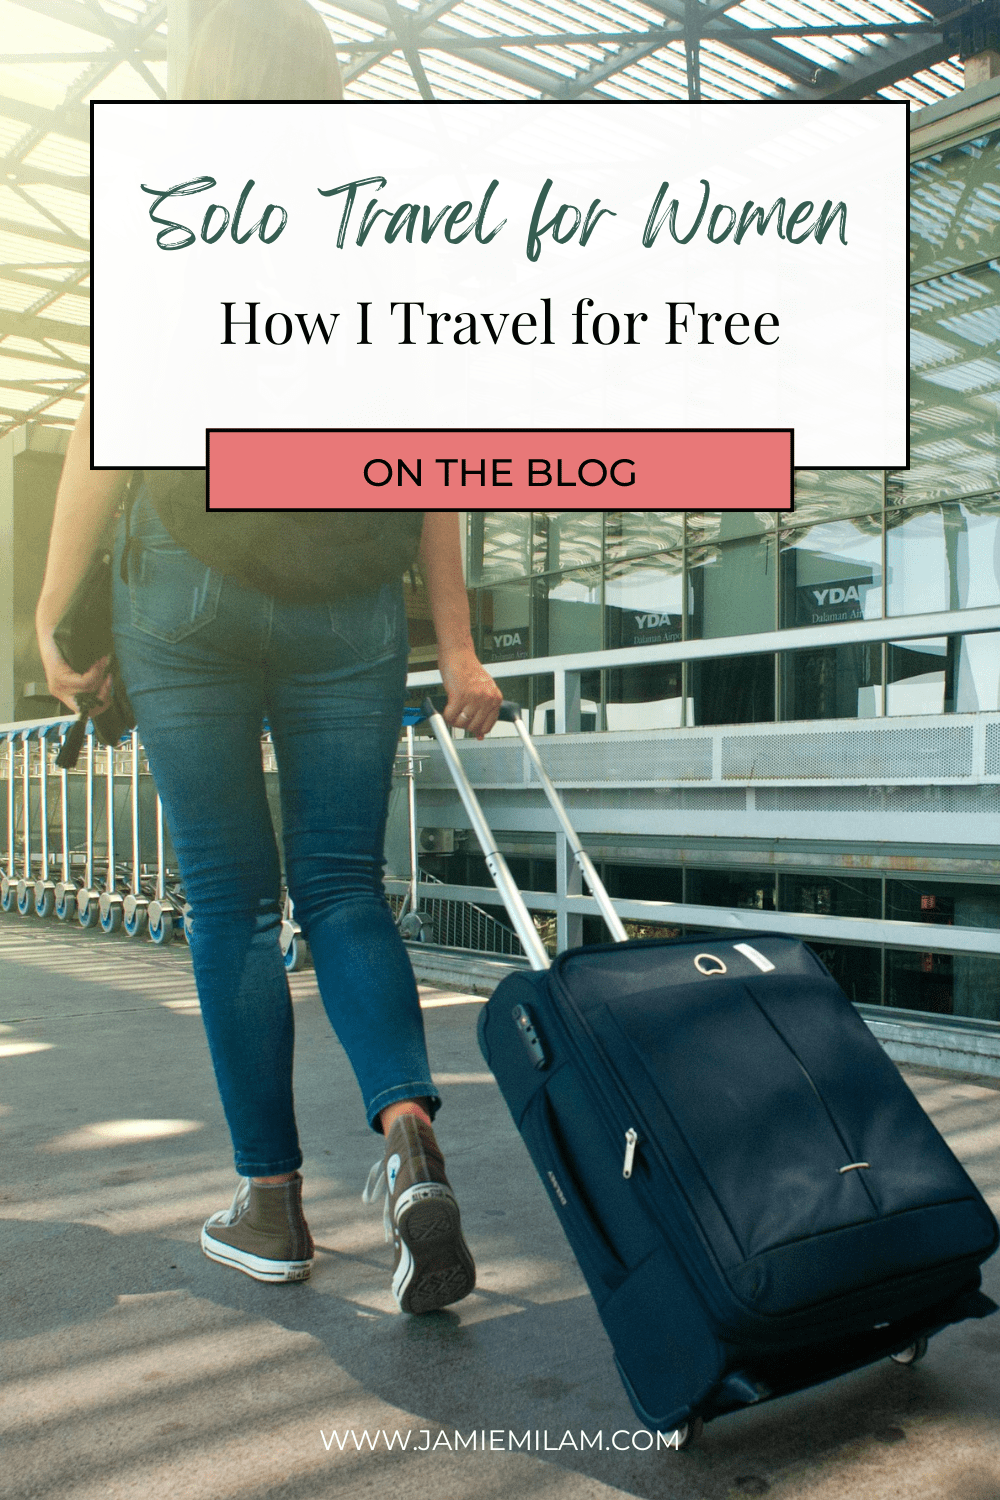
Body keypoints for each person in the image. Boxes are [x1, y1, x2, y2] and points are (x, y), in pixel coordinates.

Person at [35, 0, 503, 1312]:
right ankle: (410, 1145)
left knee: (234, 904)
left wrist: (50, 611)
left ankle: (272, 1205)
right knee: (346, 888)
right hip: (348, 602)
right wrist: (457, 646)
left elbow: (101, 429)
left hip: (182, 585)